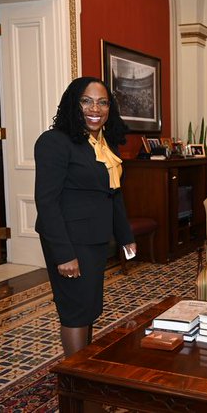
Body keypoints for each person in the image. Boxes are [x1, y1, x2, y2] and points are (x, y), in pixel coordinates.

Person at [34, 77, 136, 357]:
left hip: (95, 239)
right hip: (69, 240)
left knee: (89, 306)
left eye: (103, 102)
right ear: (74, 103)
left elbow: (112, 194)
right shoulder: (54, 142)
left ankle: (83, 371)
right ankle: (76, 381)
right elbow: (47, 201)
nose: (96, 108)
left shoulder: (105, 144)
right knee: (75, 310)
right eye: (87, 101)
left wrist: (125, 235)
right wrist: (63, 254)